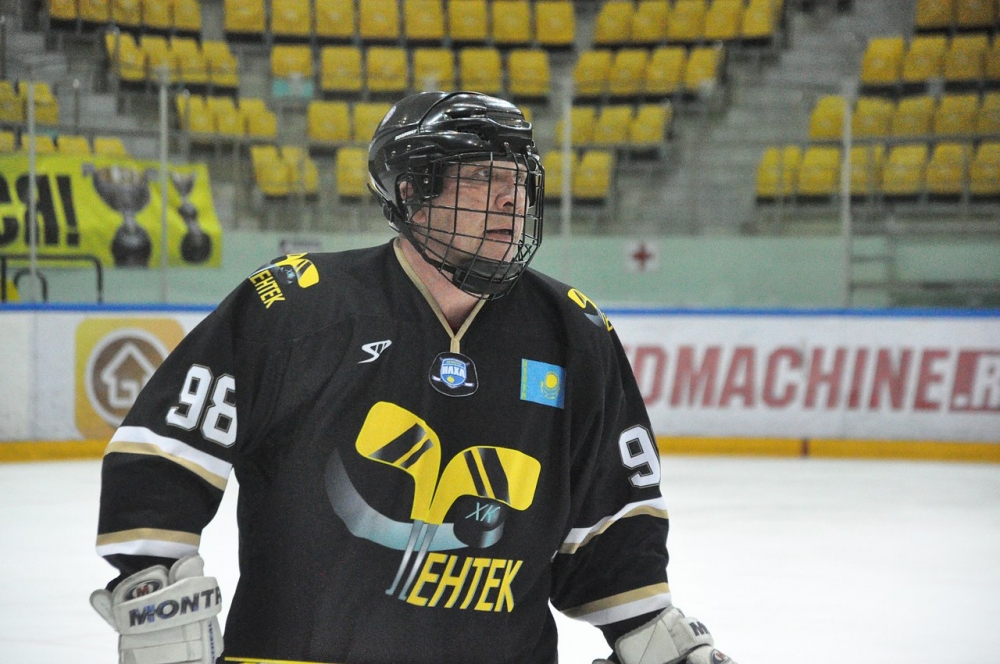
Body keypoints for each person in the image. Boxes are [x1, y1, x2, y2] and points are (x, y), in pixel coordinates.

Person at [90, 91, 738, 664]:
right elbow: (166, 448)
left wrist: (649, 633)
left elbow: (611, 522)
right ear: (410, 192)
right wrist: (153, 581)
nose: (512, 199)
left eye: (520, 179)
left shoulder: (575, 334)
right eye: (484, 176)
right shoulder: (295, 306)